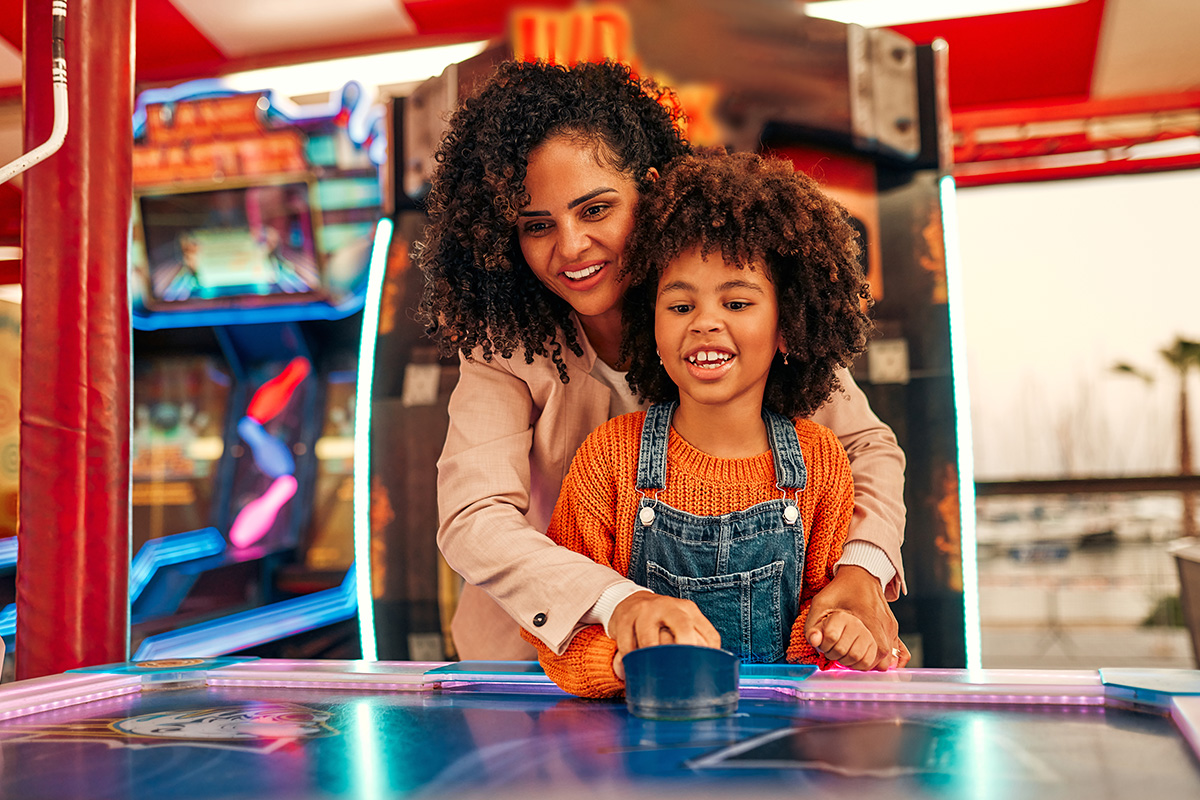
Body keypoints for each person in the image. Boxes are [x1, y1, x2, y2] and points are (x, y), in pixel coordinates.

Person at [417, 60, 908, 671]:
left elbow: (866, 447)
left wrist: (862, 569)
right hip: (543, 662)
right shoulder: (505, 343)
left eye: (595, 210)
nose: (570, 246)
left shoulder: (725, 305)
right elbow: (474, 516)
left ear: (648, 190)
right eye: (537, 225)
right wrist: (619, 604)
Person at [521, 151, 888, 697]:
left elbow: (820, 619)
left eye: (737, 303)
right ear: (651, 329)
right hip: (643, 733)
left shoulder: (822, 462)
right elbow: (561, 634)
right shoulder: (609, 458)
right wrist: (624, 661)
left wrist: (839, 635)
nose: (705, 322)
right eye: (679, 307)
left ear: (788, 327)